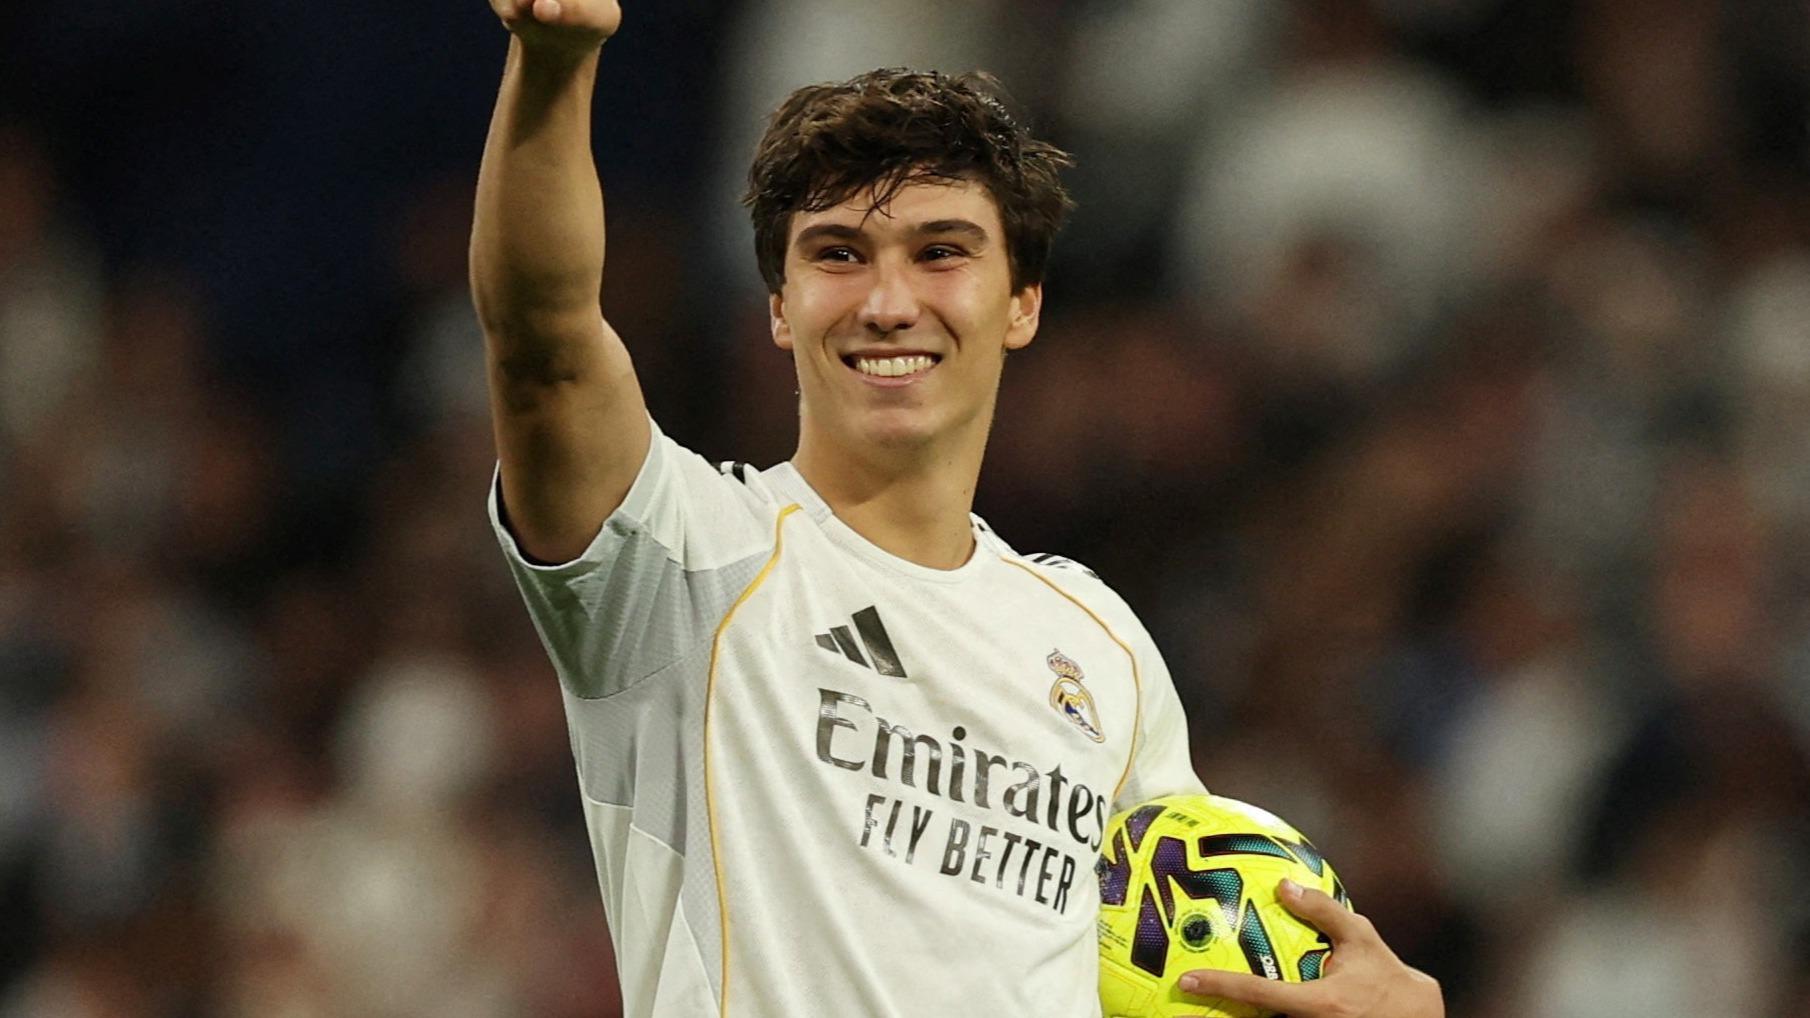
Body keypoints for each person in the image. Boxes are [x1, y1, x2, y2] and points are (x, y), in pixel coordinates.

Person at [469, 2, 1444, 1015]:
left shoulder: (1101, 644)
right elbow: (543, 345)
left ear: (1022, 301)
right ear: (779, 305)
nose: (889, 304)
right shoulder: (683, 559)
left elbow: (1206, 958)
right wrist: (553, 62)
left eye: (940, 252)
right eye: (838, 254)